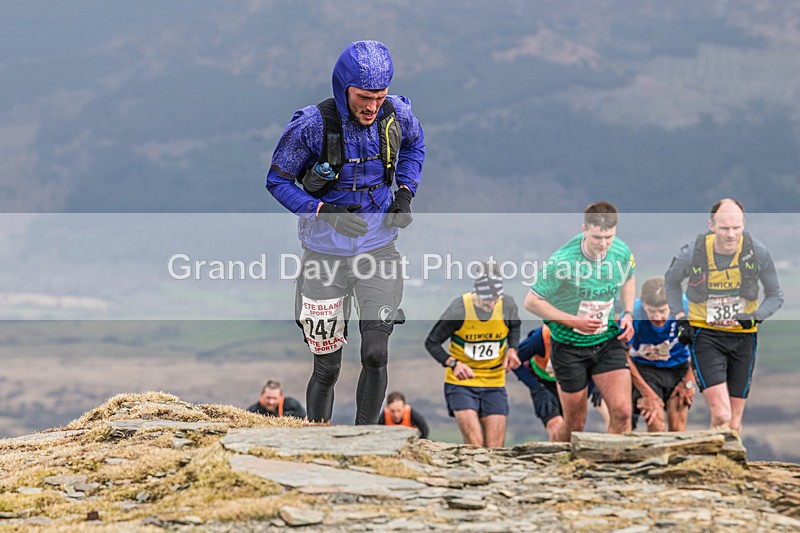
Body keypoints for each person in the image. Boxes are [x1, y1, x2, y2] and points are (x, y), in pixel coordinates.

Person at [265, 41, 425, 424]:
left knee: (375, 353)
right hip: (323, 257)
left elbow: (416, 146)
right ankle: (318, 438)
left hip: (379, 251)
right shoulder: (311, 124)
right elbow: (277, 180)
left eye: (379, 97)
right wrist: (324, 211)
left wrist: (404, 194)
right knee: (328, 367)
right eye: (363, 97)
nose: (372, 107)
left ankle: (365, 444)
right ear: (344, 88)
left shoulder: (397, 114)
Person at [664, 199, 783, 433]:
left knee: (734, 422)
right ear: (712, 225)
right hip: (706, 336)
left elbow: (775, 296)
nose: (731, 234)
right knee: (721, 414)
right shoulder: (693, 253)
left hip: (743, 338)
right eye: (724, 228)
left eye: (736, 228)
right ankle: (714, 465)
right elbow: (671, 281)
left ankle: (727, 467)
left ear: (744, 224)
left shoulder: (757, 252)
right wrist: (680, 316)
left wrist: (756, 316)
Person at [524, 201, 636, 442]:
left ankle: (611, 470)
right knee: (575, 422)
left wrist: (627, 313)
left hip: (607, 340)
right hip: (569, 346)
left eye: (609, 237)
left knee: (624, 412)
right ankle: (559, 466)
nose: (603, 244)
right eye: (597, 237)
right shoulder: (562, 261)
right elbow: (532, 302)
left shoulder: (621, 251)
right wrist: (573, 321)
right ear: (584, 229)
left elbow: (628, 278)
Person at [425, 263, 521, 447]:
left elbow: (514, 326)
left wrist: (512, 348)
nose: (491, 305)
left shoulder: (507, 304)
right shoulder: (459, 310)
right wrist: (453, 363)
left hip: (494, 381)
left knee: (495, 449)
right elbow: (432, 342)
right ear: (477, 293)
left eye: (495, 300)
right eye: (487, 301)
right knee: (475, 445)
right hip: (462, 383)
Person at [512, 324, 609, 441]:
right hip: (544, 384)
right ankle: (555, 455)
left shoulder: (589, 337)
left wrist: (597, 385)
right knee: (556, 425)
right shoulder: (540, 337)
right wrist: (536, 388)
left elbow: (597, 361)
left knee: (572, 426)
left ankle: (565, 455)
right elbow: (514, 361)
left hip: (574, 384)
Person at [627, 277, 694, 432]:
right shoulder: (634, 313)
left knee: (677, 426)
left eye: (663, 311)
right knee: (655, 420)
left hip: (678, 366)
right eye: (652, 312)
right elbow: (623, 354)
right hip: (644, 369)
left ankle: (676, 456)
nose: (657, 318)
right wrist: (645, 392)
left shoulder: (685, 308)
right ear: (643, 306)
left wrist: (689, 381)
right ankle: (656, 455)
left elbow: (700, 346)